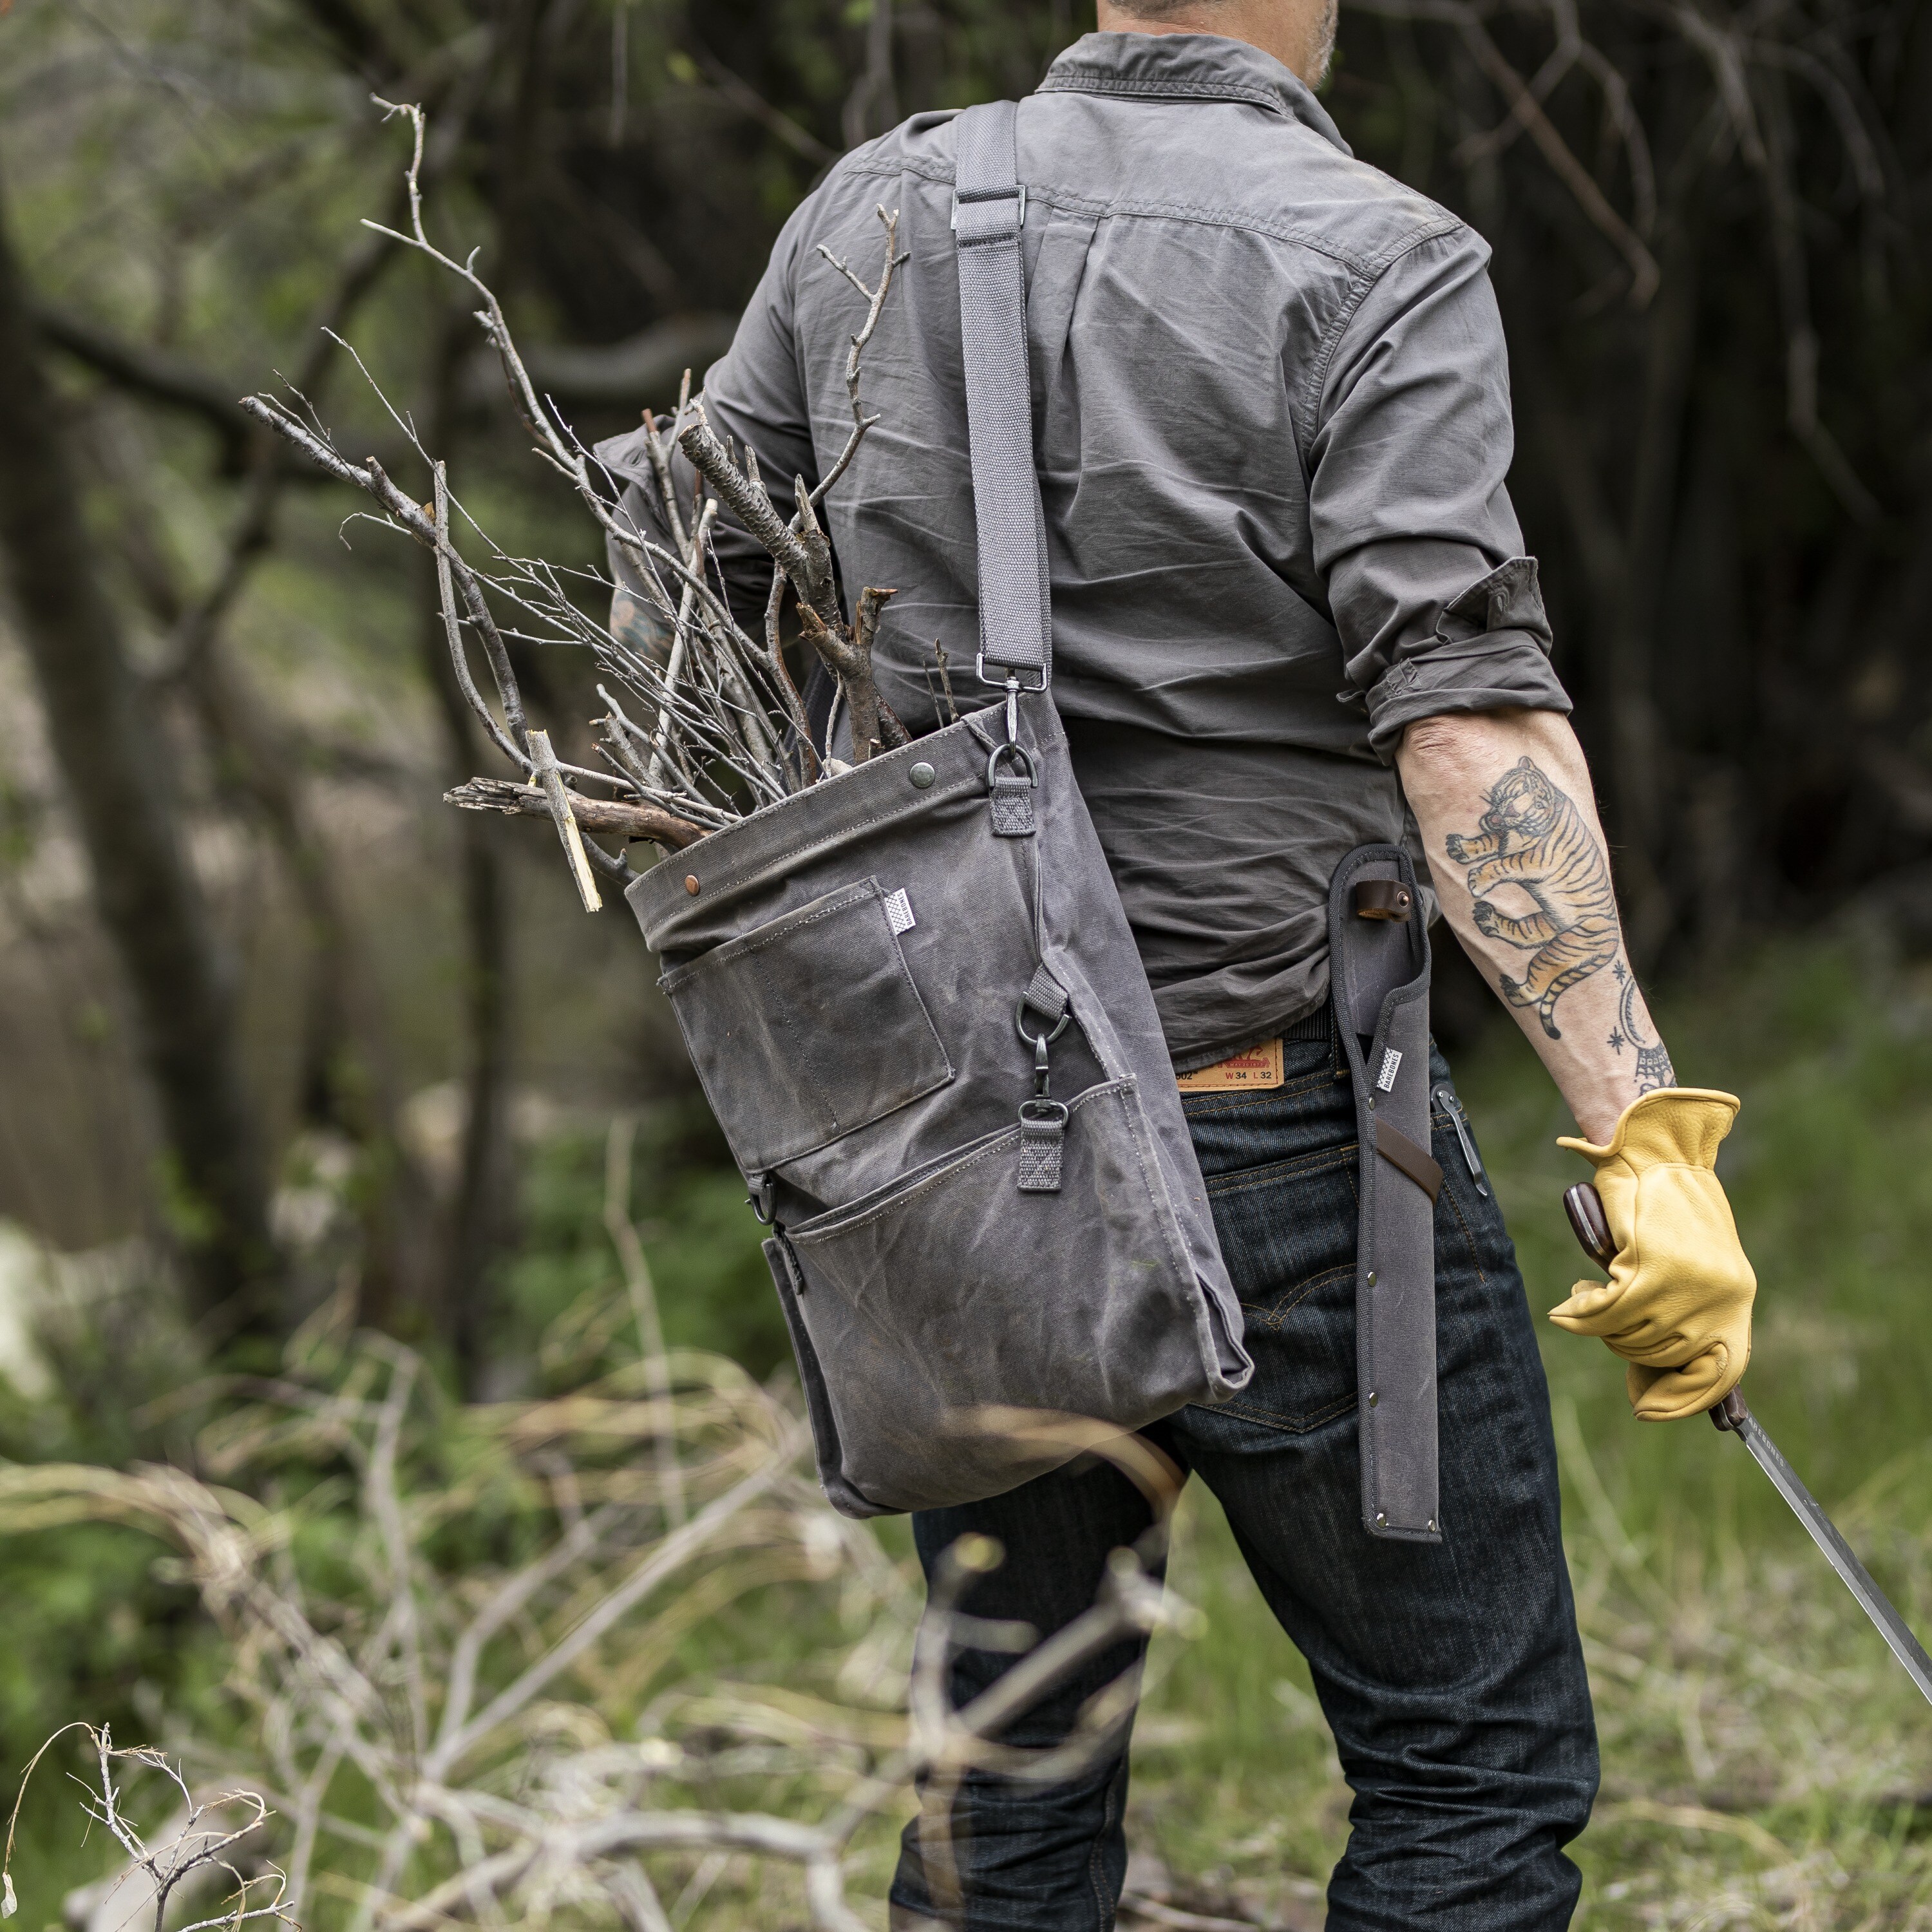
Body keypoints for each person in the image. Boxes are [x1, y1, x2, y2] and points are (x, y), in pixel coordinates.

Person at [609, 0, 1758, 1922]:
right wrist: (1642, 1133)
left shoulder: (863, 218)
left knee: (1013, 1795)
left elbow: (672, 625)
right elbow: (1465, 725)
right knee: (1467, 1781)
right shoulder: (1374, 257)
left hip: (956, 1162)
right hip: (1292, 1141)